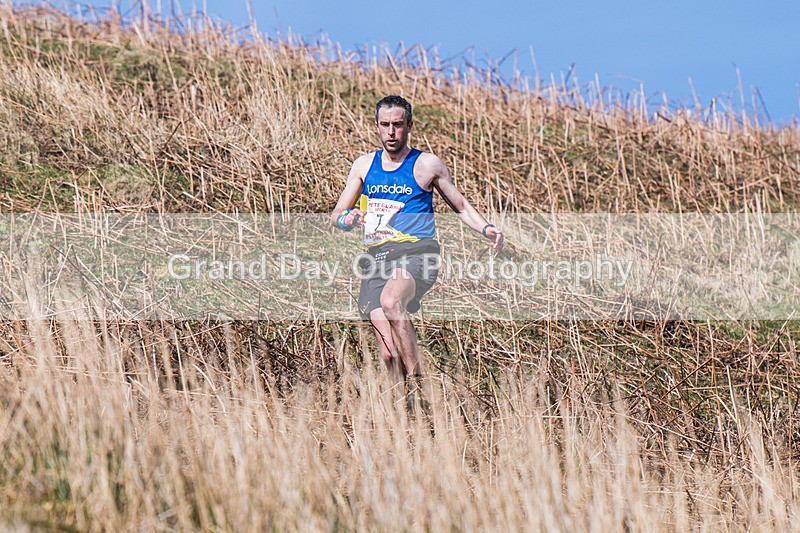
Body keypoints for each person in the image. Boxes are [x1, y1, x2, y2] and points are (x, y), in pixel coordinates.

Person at [331, 95, 504, 401]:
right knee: (387, 353)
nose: (391, 132)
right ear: (377, 127)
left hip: (417, 254)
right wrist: (350, 218)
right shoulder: (363, 166)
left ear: (409, 126)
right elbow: (337, 216)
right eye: (385, 125)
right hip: (377, 257)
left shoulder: (426, 165)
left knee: (391, 301)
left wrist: (486, 228)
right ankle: (403, 405)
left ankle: (419, 386)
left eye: (398, 125)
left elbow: (460, 205)